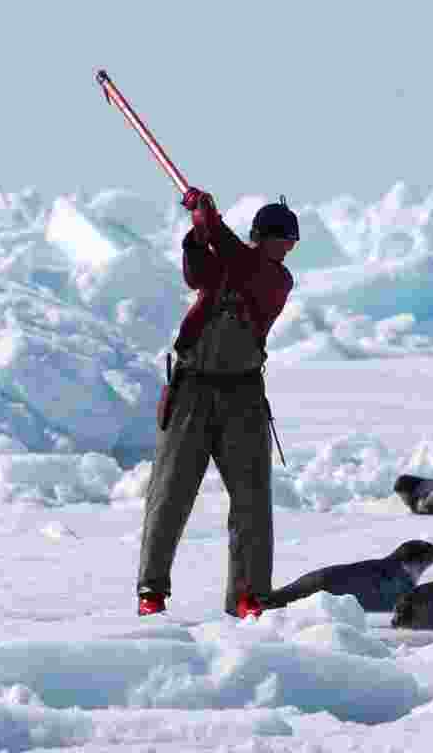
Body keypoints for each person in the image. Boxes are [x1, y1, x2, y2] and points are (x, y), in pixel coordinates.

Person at [137, 188, 297, 618]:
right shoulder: (230, 261)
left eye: (289, 242)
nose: (285, 247)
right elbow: (198, 273)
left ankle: (249, 596)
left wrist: (210, 221)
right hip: (191, 389)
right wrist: (197, 232)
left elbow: (242, 266)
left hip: (243, 397)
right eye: (279, 238)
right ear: (260, 236)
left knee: (252, 500)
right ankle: (151, 591)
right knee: (169, 493)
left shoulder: (275, 279)